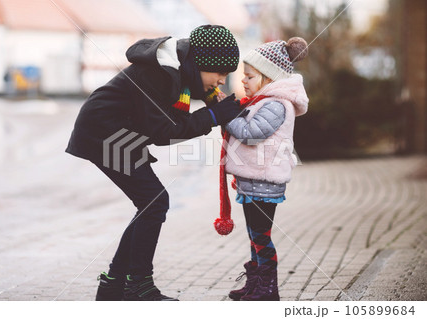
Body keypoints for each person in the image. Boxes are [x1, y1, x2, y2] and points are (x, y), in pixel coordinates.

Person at [65, 25, 245, 301]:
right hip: (104, 132)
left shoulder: (178, 72)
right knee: (154, 201)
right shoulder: (159, 74)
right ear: (200, 63)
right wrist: (212, 116)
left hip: (117, 132)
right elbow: (164, 131)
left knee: (151, 202)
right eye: (220, 72)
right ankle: (137, 284)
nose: (222, 80)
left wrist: (214, 108)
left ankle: (115, 285)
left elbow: (172, 120)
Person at [218, 37, 309, 301]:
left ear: (268, 78)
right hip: (254, 183)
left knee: (261, 235)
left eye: (249, 76)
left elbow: (251, 133)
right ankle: (257, 282)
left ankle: (268, 288)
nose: (243, 80)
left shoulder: (275, 104)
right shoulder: (262, 102)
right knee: (255, 235)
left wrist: (226, 116)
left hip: (264, 185)